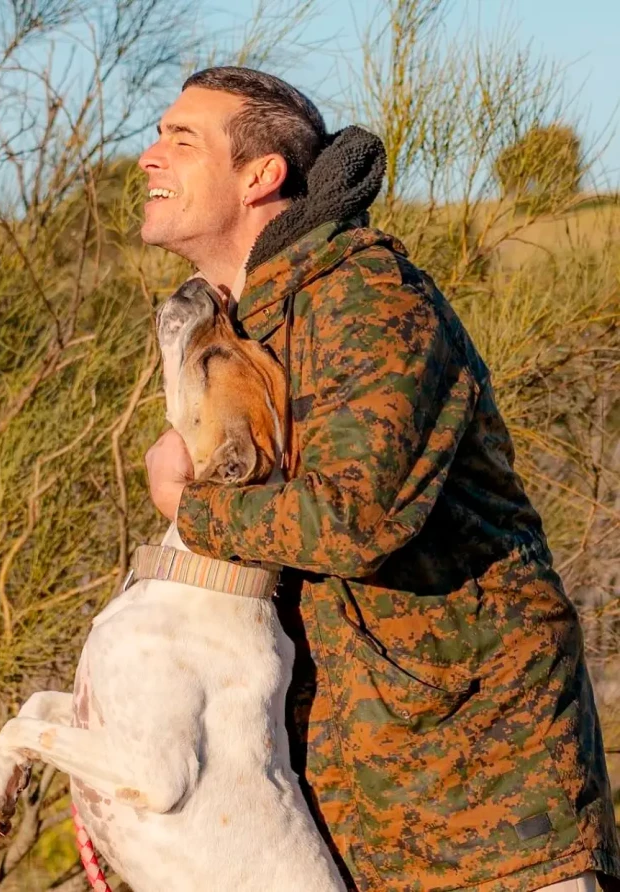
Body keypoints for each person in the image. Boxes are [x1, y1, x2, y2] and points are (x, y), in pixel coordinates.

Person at [141, 66, 620, 892]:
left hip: (488, 814)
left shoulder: (365, 296)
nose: (150, 156)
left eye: (180, 139)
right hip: (364, 819)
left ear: (262, 175)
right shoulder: (255, 325)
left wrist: (191, 508)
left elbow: (355, 519)